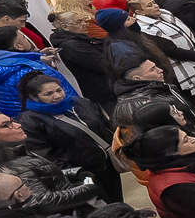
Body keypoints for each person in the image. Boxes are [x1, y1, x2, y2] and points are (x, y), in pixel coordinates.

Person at [16, 71, 122, 204]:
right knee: (102, 205)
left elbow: (105, 126)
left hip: (107, 164)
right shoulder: (30, 121)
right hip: (81, 174)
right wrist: (75, 173)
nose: (57, 96)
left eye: (59, 90)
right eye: (48, 94)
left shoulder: (80, 103)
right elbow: (45, 156)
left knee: (118, 200)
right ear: (34, 97)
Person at [0, 24, 77, 116]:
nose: (27, 39)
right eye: (24, 38)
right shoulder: (32, 71)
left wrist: (35, 56)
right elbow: (63, 96)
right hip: (53, 117)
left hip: (19, 118)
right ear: (18, 46)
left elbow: (10, 60)